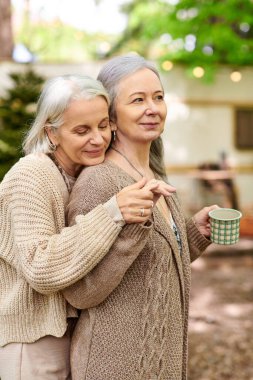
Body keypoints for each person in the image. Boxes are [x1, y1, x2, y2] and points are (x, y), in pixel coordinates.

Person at [0, 74, 168, 380]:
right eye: (82, 130)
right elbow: (41, 268)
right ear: (52, 133)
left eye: (103, 125)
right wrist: (112, 213)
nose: (98, 139)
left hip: (69, 338)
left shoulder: (82, 174)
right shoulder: (31, 175)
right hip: (32, 343)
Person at [63, 55, 218, 380]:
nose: (153, 108)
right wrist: (131, 232)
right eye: (138, 100)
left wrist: (194, 233)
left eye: (158, 97)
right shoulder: (99, 181)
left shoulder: (153, 174)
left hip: (160, 365)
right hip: (113, 369)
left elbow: (152, 267)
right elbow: (80, 292)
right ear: (113, 119)